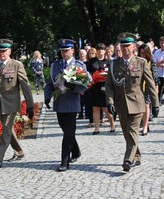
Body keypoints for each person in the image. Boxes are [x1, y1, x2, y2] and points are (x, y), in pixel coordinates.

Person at [105, 32, 159, 172]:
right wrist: (110, 102)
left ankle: (127, 160)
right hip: (121, 104)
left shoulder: (140, 62)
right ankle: (137, 156)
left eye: (127, 46)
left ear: (133, 46)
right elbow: (110, 85)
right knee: (126, 133)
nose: (125, 49)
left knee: (132, 131)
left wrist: (156, 104)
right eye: (122, 47)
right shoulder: (114, 64)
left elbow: (151, 84)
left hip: (137, 104)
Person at [0, 39, 34, 169]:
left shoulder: (17, 65)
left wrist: (30, 105)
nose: (2, 53)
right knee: (8, 129)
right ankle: (19, 151)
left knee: (6, 129)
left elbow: (26, 86)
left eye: (4, 51)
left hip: (11, 103)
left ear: (10, 51)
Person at [44, 39, 87, 172]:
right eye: (62, 51)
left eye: (67, 50)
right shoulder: (55, 65)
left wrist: (73, 86)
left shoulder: (79, 65)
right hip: (59, 102)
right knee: (66, 129)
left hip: (72, 103)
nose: (64, 53)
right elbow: (49, 82)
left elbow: (85, 85)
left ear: (73, 50)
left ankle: (65, 160)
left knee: (68, 132)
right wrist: (47, 96)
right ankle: (76, 151)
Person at [88, 43, 115, 134]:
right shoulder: (92, 61)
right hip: (94, 86)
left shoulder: (108, 61)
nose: (100, 51)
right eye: (99, 49)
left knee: (105, 108)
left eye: (102, 49)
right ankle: (96, 128)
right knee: (95, 108)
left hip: (105, 86)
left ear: (105, 51)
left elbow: (111, 74)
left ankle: (112, 124)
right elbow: (87, 72)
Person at [138, 44, 159, 135]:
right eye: (141, 53)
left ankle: (145, 126)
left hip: (147, 86)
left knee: (146, 105)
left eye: (144, 53)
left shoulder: (151, 61)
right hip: (138, 86)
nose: (142, 55)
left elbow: (154, 75)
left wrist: (155, 87)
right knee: (140, 107)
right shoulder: (137, 60)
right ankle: (143, 122)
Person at [77, 49, 88, 119]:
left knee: (87, 101)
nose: (82, 55)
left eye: (83, 54)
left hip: (87, 84)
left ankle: (87, 114)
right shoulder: (77, 63)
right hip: (79, 83)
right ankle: (80, 114)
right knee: (80, 101)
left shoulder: (87, 63)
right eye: (80, 54)